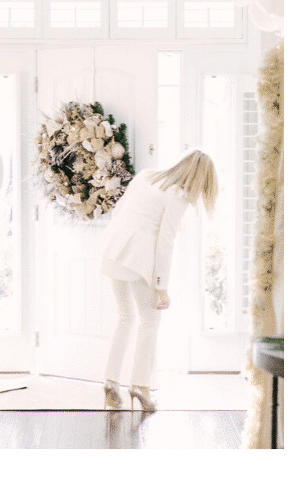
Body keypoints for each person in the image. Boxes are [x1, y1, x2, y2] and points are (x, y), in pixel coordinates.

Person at [98, 150, 218, 411]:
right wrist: (161, 288)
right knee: (150, 320)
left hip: (113, 248)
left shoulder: (146, 176)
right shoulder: (179, 197)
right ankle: (140, 386)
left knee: (125, 316)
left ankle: (110, 381)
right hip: (137, 258)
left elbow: (118, 211)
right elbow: (165, 242)